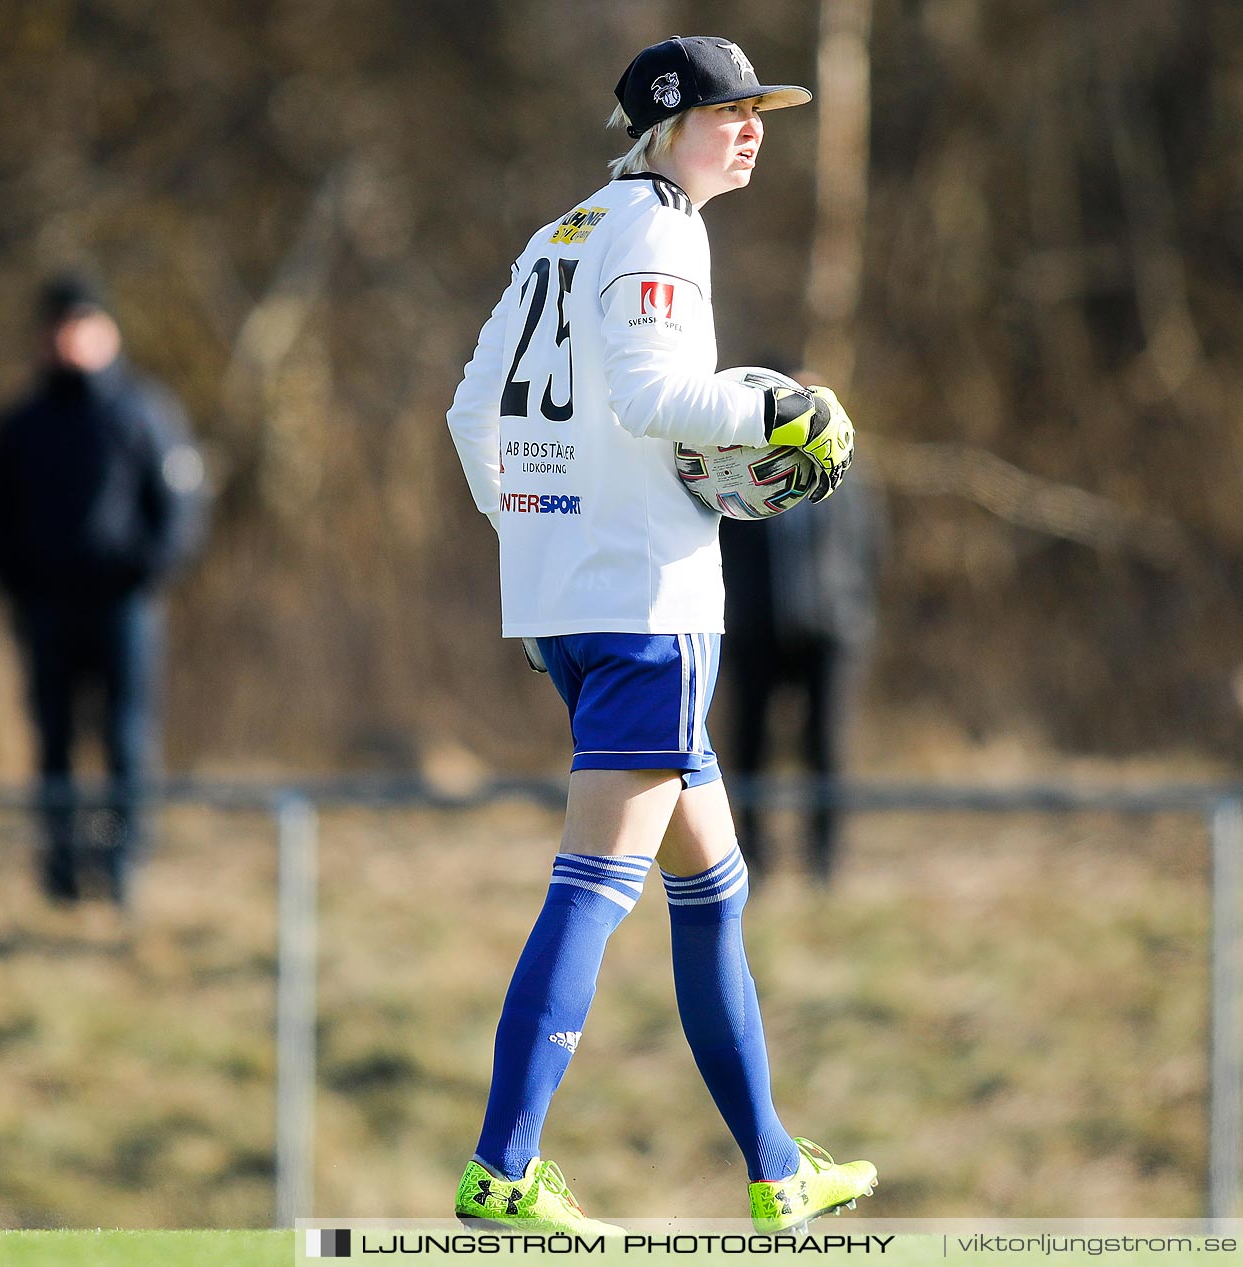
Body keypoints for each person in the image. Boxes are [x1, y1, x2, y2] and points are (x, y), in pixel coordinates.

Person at [445, 36, 874, 1235]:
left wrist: (530, 536)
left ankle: (779, 1168)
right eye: (729, 111)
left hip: (572, 606)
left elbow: (473, 411)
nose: (752, 128)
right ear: (665, 123)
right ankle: (504, 1168)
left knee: (715, 886)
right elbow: (652, 399)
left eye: (761, 112)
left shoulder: (560, 235)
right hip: (648, 608)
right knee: (592, 889)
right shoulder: (661, 224)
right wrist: (785, 407)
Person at [0, 274, 206, 906]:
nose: (67, 340)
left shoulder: (145, 411)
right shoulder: (23, 424)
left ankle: (120, 866)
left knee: (125, 737)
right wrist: (22, 582)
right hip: (46, 608)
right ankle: (60, 867)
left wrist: (145, 571)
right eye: (57, 327)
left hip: (124, 607)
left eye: (79, 325)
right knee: (53, 738)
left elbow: (181, 508)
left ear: (105, 331)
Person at [721, 450, 882, 882]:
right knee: (748, 747)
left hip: (830, 630)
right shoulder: (744, 471)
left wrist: (853, 609)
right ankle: (753, 859)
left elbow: (869, 543)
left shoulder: (849, 471)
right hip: (757, 630)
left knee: (828, 746)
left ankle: (825, 863)